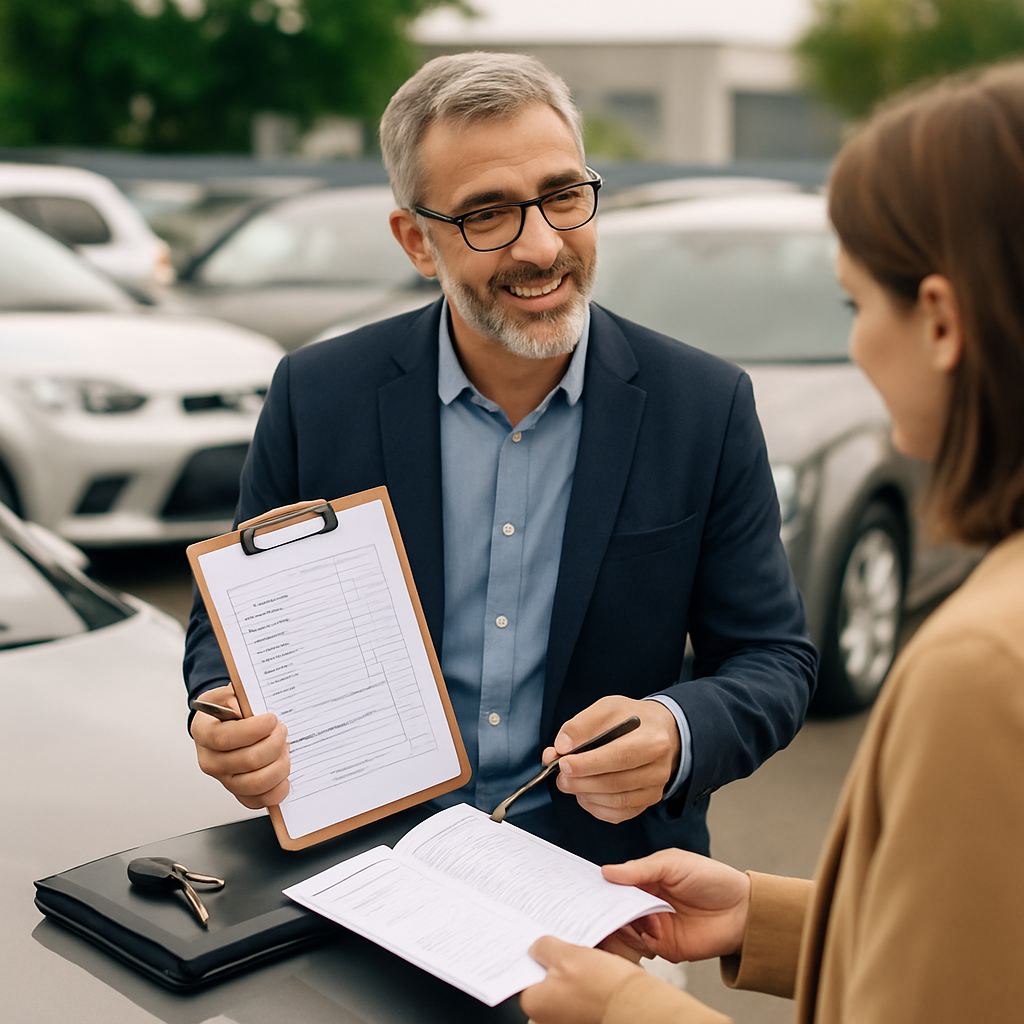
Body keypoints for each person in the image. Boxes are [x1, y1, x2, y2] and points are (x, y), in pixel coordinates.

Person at [183, 51, 816, 864]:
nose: (542, 246)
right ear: (416, 240)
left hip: (610, 884)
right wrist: (220, 709)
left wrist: (678, 729)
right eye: (487, 213)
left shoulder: (704, 405)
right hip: (367, 871)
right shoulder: (317, 394)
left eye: (562, 196)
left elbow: (773, 659)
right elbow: (232, 614)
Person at [519, 61, 1024, 1022]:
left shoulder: (982, 666)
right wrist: (773, 919)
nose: (860, 347)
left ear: (944, 323)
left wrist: (627, 1010)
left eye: (855, 305)